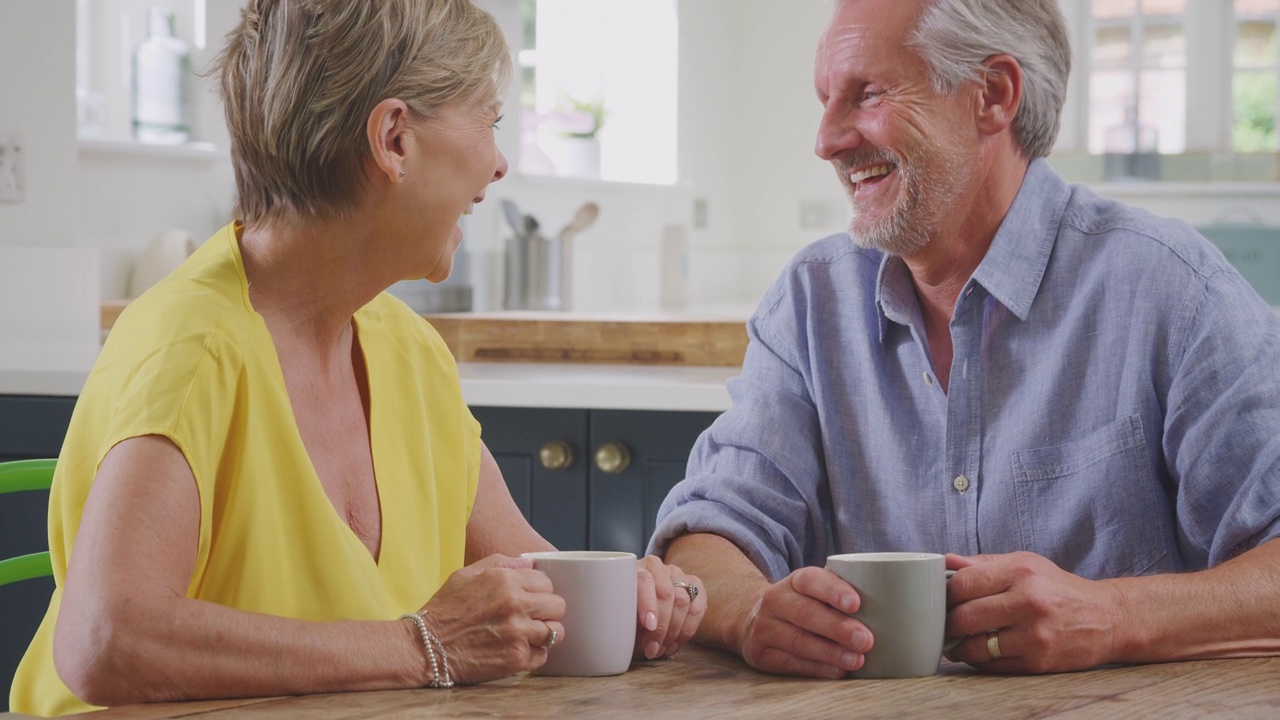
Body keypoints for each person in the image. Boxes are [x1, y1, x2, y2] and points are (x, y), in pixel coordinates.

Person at [11, 1, 703, 715]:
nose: (499, 165)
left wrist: (641, 600)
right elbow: (105, 641)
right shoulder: (192, 352)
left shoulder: (411, 355)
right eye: (490, 123)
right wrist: (420, 647)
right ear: (394, 139)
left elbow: (529, 587)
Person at [650, 0, 1280, 680]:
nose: (827, 140)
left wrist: (1114, 616)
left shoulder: (1172, 290)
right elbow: (709, 534)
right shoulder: (810, 303)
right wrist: (750, 614)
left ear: (994, 96)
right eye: (826, 100)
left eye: (867, 94)